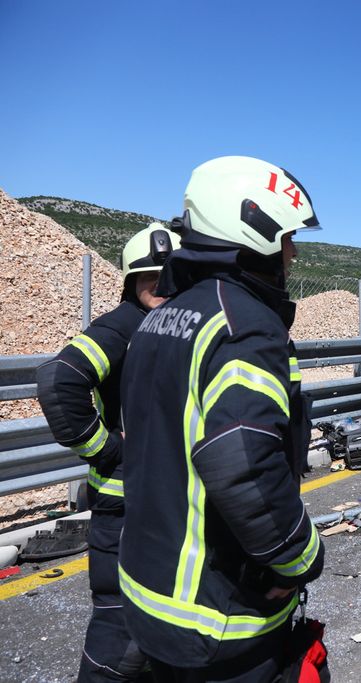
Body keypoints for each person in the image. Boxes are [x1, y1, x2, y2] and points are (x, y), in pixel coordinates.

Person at [117, 156, 325, 682]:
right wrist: (299, 558)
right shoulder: (245, 327)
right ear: (254, 228)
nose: (293, 254)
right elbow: (244, 464)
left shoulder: (162, 316)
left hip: (147, 595)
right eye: (286, 240)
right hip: (216, 615)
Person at [36, 222, 181, 682]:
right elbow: (60, 381)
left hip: (162, 505)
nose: (159, 285)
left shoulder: (173, 325)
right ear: (129, 282)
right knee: (119, 639)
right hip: (124, 510)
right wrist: (105, 450)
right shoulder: (123, 326)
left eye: (168, 275)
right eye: (147, 277)